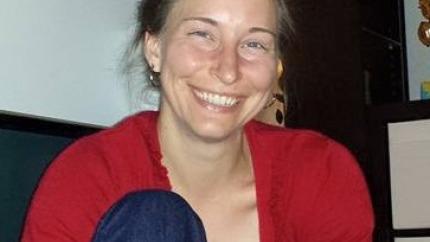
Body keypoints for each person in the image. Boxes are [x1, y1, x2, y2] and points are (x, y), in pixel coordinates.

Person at [21, 0, 374, 241]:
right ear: (155, 49)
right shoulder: (88, 177)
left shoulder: (320, 173)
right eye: (202, 34)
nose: (228, 70)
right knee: (155, 219)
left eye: (254, 44)